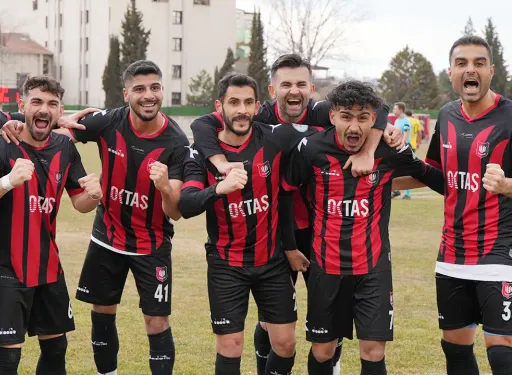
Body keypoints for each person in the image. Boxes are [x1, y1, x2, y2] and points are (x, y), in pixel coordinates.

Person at [189, 53, 403, 375]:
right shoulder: (256, 114)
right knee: (272, 319)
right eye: (286, 84)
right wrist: (220, 163)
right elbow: (203, 123)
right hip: (279, 231)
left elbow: (380, 108)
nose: (294, 91)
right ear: (273, 91)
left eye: (301, 84)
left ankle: (333, 362)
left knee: (333, 309)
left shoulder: (321, 112)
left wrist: (371, 150)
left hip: (324, 230)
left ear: (312, 88)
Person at [283, 80, 442, 375]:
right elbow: (286, 192)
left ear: (374, 119)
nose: (353, 126)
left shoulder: (389, 151)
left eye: (363, 117)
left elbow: (430, 176)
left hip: (373, 269)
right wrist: (290, 246)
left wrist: (479, 187)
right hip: (326, 268)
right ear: (333, 117)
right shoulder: (311, 149)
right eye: (346, 116)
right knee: (323, 351)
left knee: (373, 350)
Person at [57, 60, 188, 375]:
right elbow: (60, 133)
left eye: (155, 88)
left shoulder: (178, 143)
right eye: (140, 89)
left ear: (162, 91)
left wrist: (165, 187)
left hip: (152, 243)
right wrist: (79, 178)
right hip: (108, 238)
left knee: (156, 321)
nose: (148, 95)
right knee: (102, 313)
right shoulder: (108, 122)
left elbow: (177, 212)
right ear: (126, 93)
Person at [394, 35, 512, 375]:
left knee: (502, 351)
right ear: (451, 72)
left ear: (491, 70)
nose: (470, 69)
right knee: (455, 348)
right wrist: (381, 184)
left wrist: (505, 185)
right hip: (452, 255)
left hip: (499, 252)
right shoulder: (446, 115)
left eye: (478, 63)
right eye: (462, 63)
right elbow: (436, 175)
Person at [0, 75, 101, 375]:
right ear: (22, 105)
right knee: (8, 359)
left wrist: (93, 195)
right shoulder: (0, 145)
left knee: (56, 350)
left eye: (52, 104)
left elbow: (80, 203)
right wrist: (8, 181)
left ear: (60, 110)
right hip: (6, 268)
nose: (44, 109)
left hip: (48, 266)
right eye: (37, 102)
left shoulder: (65, 149)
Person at [179, 73, 311, 375]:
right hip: (227, 263)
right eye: (233, 102)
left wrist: (381, 135)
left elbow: (326, 132)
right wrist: (218, 189)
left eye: (248, 102)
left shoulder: (277, 138)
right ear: (219, 106)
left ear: (257, 106)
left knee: (285, 344)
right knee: (231, 346)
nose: (241, 110)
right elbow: (185, 205)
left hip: (272, 262)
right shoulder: (201, 154)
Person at [391, 102, 412, 199]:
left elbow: (406, 133)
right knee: (394, 168)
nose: (393, 111)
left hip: (404, 147)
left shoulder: (406, 121)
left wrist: (403, 144)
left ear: (400, 109)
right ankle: (396, 190)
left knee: (407, 170)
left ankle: (407, 194)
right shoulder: (396, 121)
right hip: (397, 147)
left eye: (395, 109)